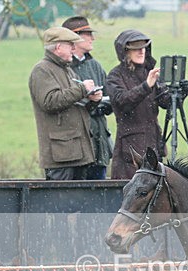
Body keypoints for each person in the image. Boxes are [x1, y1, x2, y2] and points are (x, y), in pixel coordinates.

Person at [105, 29, 188, 180]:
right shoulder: (115, 76)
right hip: (130, 149)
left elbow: (166, 102)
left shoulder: (149, 73)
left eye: (144, 48)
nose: (141, 51)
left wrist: (180, 93)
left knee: (156, 188)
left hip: (153, 143)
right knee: (130, 189)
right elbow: (122, 102)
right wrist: (146, 86)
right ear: (125, 52)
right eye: (136, 49)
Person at [28, 27, 100, 181]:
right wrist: (82, 89)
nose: (74, 49)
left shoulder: (67, 70)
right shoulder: (42, 70)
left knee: (77, 197)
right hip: (60, 157)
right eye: (70, 45)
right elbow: (50, 101)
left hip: (77, 153)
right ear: (59, 47)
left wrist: (93, 100)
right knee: (60, 197)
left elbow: (76, 104)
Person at [62, 16, 113, 180]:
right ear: (74, 38)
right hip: (75, 147)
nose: (93, 38)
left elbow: (110, 101)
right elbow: (64, 104)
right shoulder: (62, 69)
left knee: (99, 193)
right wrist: (90, 101)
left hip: (99, 144)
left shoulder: (95, 66)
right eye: (88, 34)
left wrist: (97, 103)